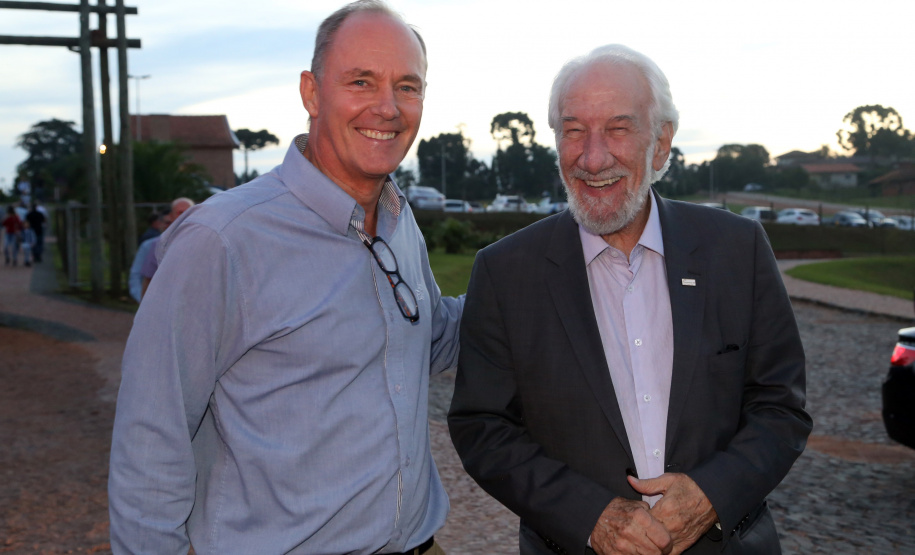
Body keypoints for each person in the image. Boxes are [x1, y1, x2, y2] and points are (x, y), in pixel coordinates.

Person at [108, 2, 462, 554]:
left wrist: (540, 275)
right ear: (312, 93)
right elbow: (150, 444)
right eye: (361, 81)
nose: (387, 107)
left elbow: (429, 333)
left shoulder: (397, 217)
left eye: (408, 86)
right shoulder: (222, 240)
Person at [448, 44, 811, 555]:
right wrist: (590, 517)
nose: (593, 158)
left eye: (618, 128)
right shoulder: (506, 271)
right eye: (574, 130)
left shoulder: (737, 249)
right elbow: (482, 426)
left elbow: (781, 407)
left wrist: (711, 495)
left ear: (660, 143)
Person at [135, 197, 194, 299]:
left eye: (189, 212)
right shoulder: (158, 244)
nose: (185, 216)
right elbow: (147, 279)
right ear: (171, 216)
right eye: (180, 212)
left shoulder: (206, 241)